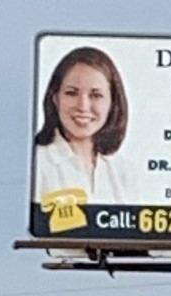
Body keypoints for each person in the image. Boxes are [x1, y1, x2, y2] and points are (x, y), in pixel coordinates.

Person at [34, 46, 133, 203]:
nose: (83, 106)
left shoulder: (121, 168)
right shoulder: (36, 162)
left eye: (96, 95)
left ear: (112, 103)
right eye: (72, 93)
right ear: (55, 98)